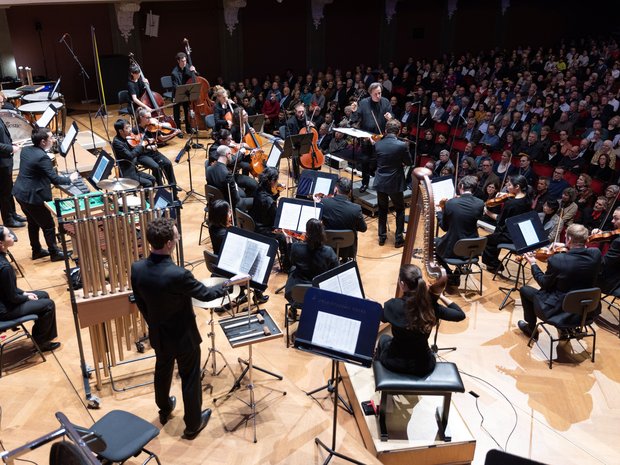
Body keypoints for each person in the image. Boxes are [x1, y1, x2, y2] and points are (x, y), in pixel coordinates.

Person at [131, 217, 227, 440]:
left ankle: (164, 409)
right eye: (176, 236)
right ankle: (192, 425)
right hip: (183, 337)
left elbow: (141, 302)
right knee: (190, 377)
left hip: (158, 333)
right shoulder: (178, 274)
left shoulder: (137, 268)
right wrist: (227, 285)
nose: (178, 238)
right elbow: (206, 294)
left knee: (162, 370)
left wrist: (153, 322)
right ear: (168, 243)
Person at [375, 264, 465, 375]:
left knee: (383, 338)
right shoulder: (430, 306)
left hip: (395, 363)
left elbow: (381, 318)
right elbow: (460, 315)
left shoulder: (393, 305)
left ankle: (379, 372)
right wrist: (440, 295)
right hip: (423, 365)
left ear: (402, 284)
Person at [517, 224, 602, 340]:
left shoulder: (558, 260)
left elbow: (544, 283)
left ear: (569, 239)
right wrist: (567, 246)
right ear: (586, 240)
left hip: (559, 312)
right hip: (586, 311)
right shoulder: (596, 254)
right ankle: (566, 328)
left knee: (525, 290)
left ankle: (531, 328)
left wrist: (533, 264)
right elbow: (582, 252)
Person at [13, 127, 78, 261]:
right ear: (43, 142)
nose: (53, 140)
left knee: (33, 222)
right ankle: (54, 253)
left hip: (20, 193)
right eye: (51, 138)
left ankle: (36, 250)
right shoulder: (42, 157)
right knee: (48, 225)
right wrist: (70, 178)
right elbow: (55, 179)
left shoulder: (27, 150)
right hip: (32, 196)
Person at [0, 226, 60, 352]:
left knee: (43, 295)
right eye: (8, 235)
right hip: (5, 310)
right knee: (48, 305)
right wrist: (26, 297)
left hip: (5, 300)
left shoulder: (2, 259)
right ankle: (41, 343)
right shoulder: (5, 267)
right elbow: (13, 298)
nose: (12, 236)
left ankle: (41, 337)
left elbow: (8, 289)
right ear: (1, 244)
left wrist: (24, 293)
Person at [436, 175, 484, 286]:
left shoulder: (451, 203)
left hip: (453, 248)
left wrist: (440, 211)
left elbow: (444, 227)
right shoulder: (480, 203)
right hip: (472, 249)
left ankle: (449, 274)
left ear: (461, 186)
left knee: (432, 244)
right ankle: (457, 273)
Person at [372, 119, 411, 247]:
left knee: (382, 209)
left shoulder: (378, 144)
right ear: (399, 131)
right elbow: (409, 162)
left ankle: (382, 237)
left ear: (385, 130)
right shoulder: (402, 145)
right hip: (395, 182)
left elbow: (377, 159)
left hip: (381, 181)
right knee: (400, 209)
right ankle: (398, 239)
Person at [284, 218, 339, 308]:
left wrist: (289, 245)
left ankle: (293, 309)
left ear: (306, 232)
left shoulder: (296, 247)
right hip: (320, 293)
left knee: (293, 269)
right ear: (322, 233)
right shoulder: (328, 251)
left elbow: (291, 262)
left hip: (297, 292)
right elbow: (335, 270)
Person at [481, 175, 531, 273]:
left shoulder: (511, 204)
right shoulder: (527, 199)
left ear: (517, 187)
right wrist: (506, 196)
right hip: (520, 233)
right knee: (495, 236)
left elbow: (500, 220)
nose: (507, 186)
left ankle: (494, 265)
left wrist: (487, 212)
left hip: (510, 235)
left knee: (487, 240)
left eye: (509, 185)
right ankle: (494, 263)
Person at [350, 82, 393, 192]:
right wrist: (354, 111)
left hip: (381, 136)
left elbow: (392, 119)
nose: (378, 96)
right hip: (366, 136)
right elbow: (355, 118)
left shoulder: (385, 102)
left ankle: (380, 185)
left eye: (380, 93)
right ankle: (365, 183)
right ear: (370, 93)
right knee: (365, 161)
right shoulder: (364, 103)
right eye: (376, 94)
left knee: (380, 162)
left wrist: (390, 117)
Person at [249, 167, 290, 272]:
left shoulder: (258, 189)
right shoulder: (269, 201)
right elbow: (276, 220)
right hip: (263, 229)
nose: (277, 183)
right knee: (284, 236)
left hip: (254, 223)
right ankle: (286, 263)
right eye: (276, 181)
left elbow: (267, 201)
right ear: (272, 181)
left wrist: (276, 193)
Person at [317, 177, 367, 260]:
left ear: (335, 189)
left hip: (328, 243)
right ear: (350, 192)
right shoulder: (356, 208)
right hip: (347, 246)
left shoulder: (324, 202)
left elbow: (317, 219)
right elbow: (363, 228)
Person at [136, 109, 178, 188]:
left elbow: (162, 138)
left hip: (154, 152)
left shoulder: (152, 127)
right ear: (141, 118)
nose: (150, 119)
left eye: (150, 117)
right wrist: (148, 146)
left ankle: (173, 185)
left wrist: (173, 134)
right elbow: (136, 146)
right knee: (156, 167)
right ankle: (160, 187)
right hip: (143, 155)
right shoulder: (136, 130)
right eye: (147, 118)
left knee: (168, 163)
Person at [111, 118, 156, 188]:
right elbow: (130, 155)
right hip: (127, 172)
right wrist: (141, 146)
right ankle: (145, 198)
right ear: (120, 131)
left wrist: (147, 146)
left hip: (133, 169)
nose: (130, 129)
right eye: (127, 128)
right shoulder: (117, 143)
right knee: (148, 183)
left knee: (153, 179)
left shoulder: (126, 138)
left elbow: (134, 147)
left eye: (129, 126)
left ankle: (147, 197)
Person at [206, 145, 252, 212]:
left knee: (242, 193)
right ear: (227, 155)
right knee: (255, 201)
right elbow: (236, 199)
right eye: (231, 154)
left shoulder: (209, 169)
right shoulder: (227, 174)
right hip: (229, 203)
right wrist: (235, 186)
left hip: (216, 200)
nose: (231, 156)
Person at [0, 115, 26, 228]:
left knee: (9, 190)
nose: (2, 104)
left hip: (5, 161)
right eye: (0, 102)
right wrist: (11, 148)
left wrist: (11, 144)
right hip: (1, 163)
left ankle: (13, 214)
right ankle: (8, 219)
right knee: (3, 194)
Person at [170, 52, 196, 136]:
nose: (184, 63)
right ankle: (178, 130)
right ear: (178, 61)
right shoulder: (174, 73)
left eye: (185, 61)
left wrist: (194, 71)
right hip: (178, 93)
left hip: (186, 92)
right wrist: (183, 90)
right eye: (182, 61)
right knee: (177, 113)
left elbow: (195, 77)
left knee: (187, 110)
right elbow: (176, 86)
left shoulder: (187, 66)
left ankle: (189, 129)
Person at [595, 207, 620, 294]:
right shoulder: (617, 235)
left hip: (614, 280)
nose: (612, 221)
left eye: (616, 219)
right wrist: (602, 232)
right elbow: (614, 233)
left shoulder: (618, 243)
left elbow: (603, 264)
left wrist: (587, 252)